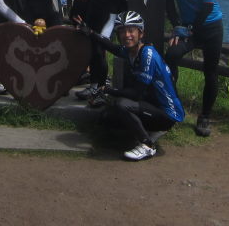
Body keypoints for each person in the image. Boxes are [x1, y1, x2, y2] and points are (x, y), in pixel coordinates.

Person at [78, 11, 184, 161]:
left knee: (122, 105)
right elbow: (112, 47)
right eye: (122, 31)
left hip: (168, 114)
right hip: (153, 106)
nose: (126, 35)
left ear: (141, 33)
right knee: (107, 117)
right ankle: (146, 133)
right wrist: (90, 32)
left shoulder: (147, 54)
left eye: (131, 30)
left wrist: (108, 90)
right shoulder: (131, 51)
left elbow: (136, 94)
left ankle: (147, 145)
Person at [164, 0, 224, 137]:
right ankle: (174, 104)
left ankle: (205, 116)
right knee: (171, 55)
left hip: (210, 27)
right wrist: (176, 26)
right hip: (188, 27)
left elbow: (208, 7)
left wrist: (188, 29)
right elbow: (168, 1)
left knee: (211, 71)